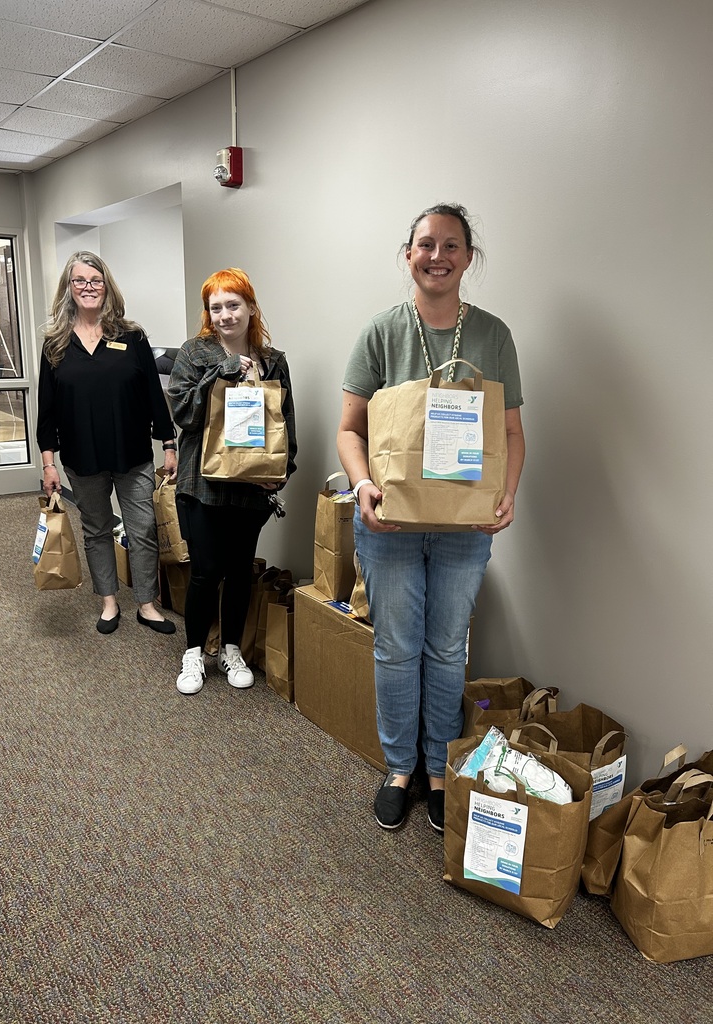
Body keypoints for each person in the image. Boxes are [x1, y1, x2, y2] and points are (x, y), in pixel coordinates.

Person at [337, 203, 525, 834]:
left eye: (451, 245)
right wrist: (362, 484)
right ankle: (398, 769)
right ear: (408, 254)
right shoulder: (381, 332)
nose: (437, 256)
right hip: (388, 523)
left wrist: (509, 493)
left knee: (446, 649)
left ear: (468, 258)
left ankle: (439, 769)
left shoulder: (493, 336)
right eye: (425, 244)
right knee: (395, 648)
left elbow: (512, 432)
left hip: (463, 528)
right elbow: (348, 430)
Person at [168, 268, 297, 695]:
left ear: (251, 307)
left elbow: (285, 425)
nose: (224, 315)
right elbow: (184, 416)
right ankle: (193, 654)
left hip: (251, 486)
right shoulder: (194, 353)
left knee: (240, 570)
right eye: (215, 307)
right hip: (202, 482)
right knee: (206, 572)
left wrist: (280, 473)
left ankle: (230, 649)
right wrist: (219, 374)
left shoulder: (273, 361)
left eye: (233, 304)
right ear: (208, 313)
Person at [37, 251, 177, 636]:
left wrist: (169, 443)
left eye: (95, 280)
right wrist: (49, 464)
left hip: (132, 455)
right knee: (97, 529)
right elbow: (46, 412)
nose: (88, 287)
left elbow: (153, 394)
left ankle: (147, 604)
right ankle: (109, 601)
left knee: (143, 529)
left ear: (107, 286)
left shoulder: (131, 336)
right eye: (79, 281)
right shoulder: (56, 344)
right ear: (69, 288)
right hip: (82, 458)